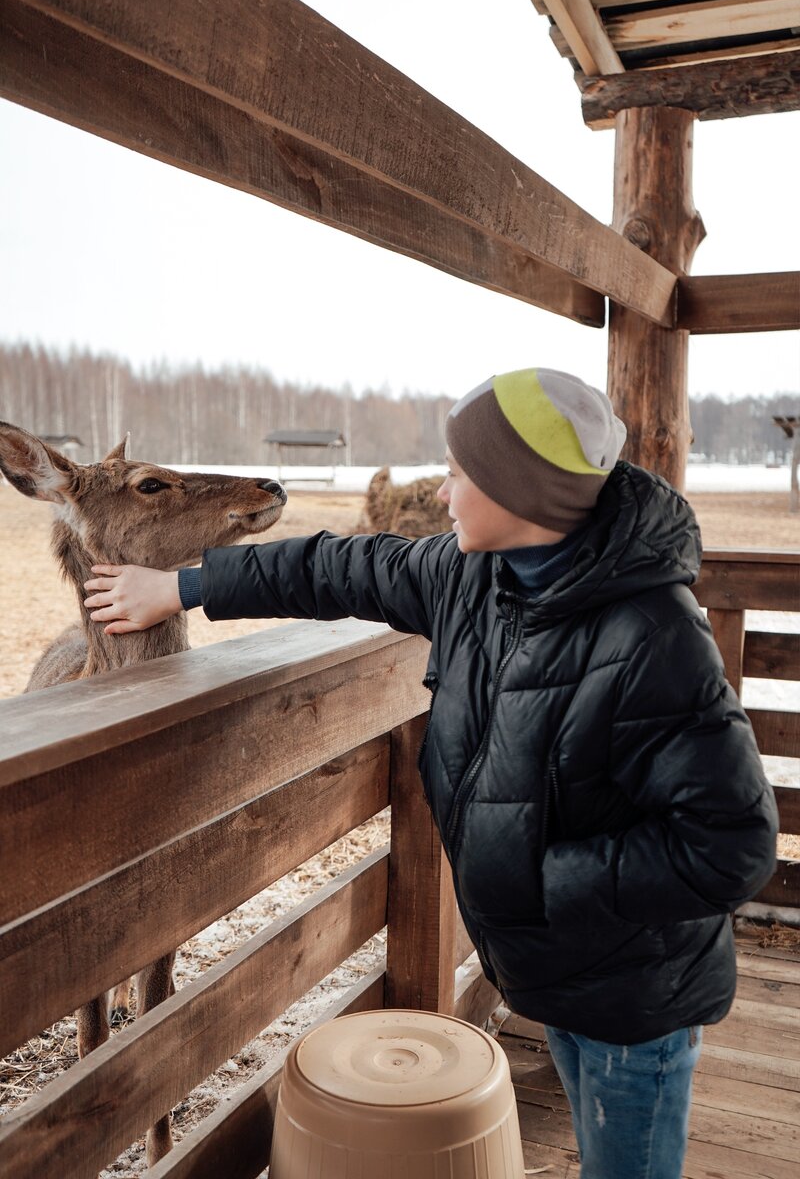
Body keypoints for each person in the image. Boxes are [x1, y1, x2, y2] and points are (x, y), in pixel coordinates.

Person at [84, 367, 777, 1179]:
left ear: (525, 496)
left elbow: (733, 844)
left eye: (459, 474)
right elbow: (338, 568)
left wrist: (541, 882)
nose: (443, 494)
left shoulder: (654, 637)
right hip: (555, 968)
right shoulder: (471, 577)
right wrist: (186, 585)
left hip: (637, 994)